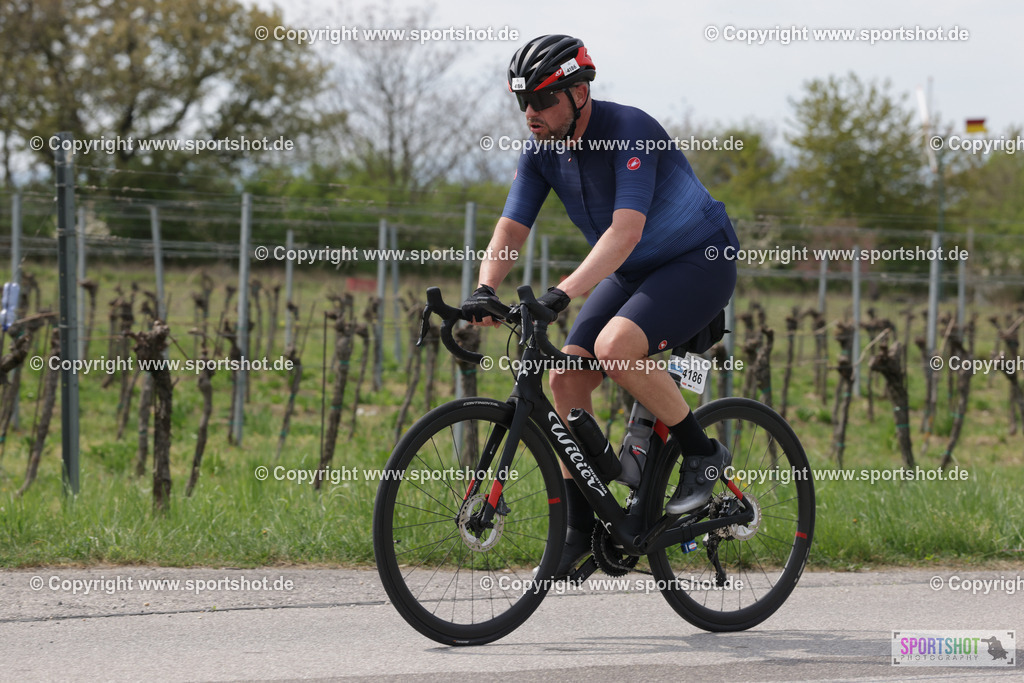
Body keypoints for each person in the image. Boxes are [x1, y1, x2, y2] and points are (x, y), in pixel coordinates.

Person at [462, 34, 740, 577]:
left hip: (699, 260)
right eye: (523, 102)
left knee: (615, 347)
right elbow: (512, 226)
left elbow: (624, 232)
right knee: (566, 378)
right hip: (637, 269)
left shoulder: (629, 130)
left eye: (543, 100)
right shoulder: (542, 150)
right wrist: (485, 287)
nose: (531, 114)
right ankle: (583, 526)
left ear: (580, 92)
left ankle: (703, 455)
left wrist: (561, 293)